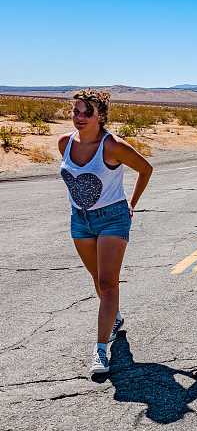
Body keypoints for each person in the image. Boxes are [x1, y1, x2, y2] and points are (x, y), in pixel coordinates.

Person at [58, 89, 153, 374]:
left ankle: (100, 350)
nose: (81, 117)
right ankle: (115, 317)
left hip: (113, 218)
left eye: (88, 112)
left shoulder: (112, 146)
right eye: (76, 111)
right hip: (80, 219)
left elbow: (146, 169)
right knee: (98, 280)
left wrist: (131, 205)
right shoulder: (64, 143)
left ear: (101, 116)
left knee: (108, 283)